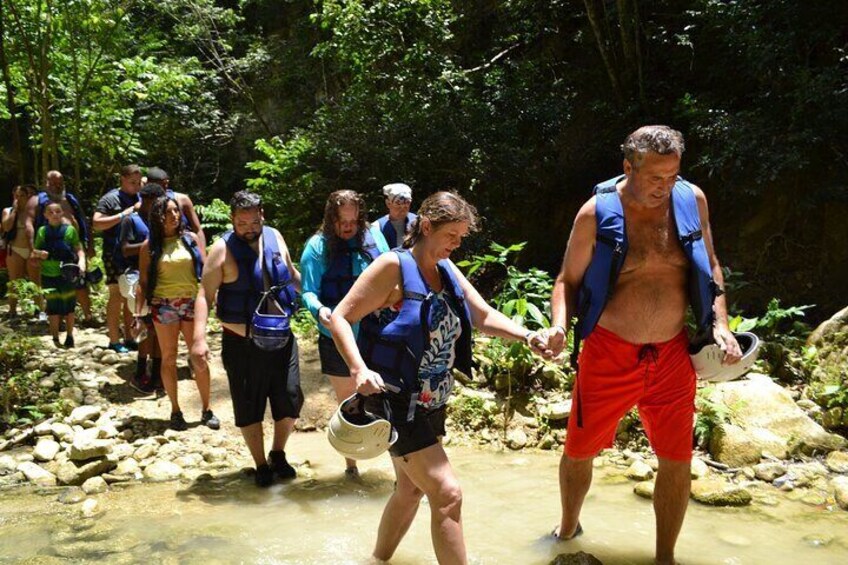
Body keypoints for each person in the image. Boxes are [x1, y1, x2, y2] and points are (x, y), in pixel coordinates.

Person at [546, 125, 743, 564]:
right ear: (628, 167)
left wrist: (720, 324)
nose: (665, 187)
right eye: (655, 178)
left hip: (672, 353)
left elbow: (710, 264)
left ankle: (664, 556)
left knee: (676, 456)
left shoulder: (692, 201)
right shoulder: (595, 214)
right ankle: (566, 529)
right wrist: (560, 326)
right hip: (609, 350)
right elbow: (567, 281)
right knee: (579, 450)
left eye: (673, 176)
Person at [329, 191, 551, 564]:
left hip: (432, 403)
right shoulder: (392, 266)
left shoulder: (446, 270)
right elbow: (340, 317)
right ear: (427, 227)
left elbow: (482, 316)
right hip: (397, 402)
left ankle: (376, 560)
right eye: (452, 235)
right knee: (447, 494)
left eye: (462, 237)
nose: (457, 244)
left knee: (410, 491)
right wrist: (358, 368)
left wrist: (528, 336)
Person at [191, 191, 302, 486]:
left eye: (254, 221)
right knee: (249, 404)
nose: (250, 228)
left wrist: (321, 301)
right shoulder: (221, 249)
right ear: (232, 220)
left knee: (290, 400)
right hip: (242, 343)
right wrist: (198, 340)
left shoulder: (275, 237)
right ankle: (261, 464)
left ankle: (278, 453)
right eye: (242, 223)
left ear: (262, 215)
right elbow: (204, 294)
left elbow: (291, 275)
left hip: (282, 337)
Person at [300, 190, 390, 476]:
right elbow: (309, 292)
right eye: (342, 221)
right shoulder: (317, 247)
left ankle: (397, 462)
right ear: (331, 219)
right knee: (350, 401)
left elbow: (393, 274)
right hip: (336, 336)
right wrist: (319, 310)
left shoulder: (374, 238)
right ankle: (351, 467)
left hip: (377, 333)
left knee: (386, 396)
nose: (348, 226)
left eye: (353, 220)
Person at [137, 194, 218, 431]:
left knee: (199, 356)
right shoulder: (148, 246)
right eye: (167, 212)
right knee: (168, 357)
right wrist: (138, 314)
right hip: (163, 305)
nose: (174, 215)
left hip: (192, 302)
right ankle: (175, 410)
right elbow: (143, 281)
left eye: (175, 211)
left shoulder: (190, 239)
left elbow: (205, 270)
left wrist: (213, 297)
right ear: (157, 218)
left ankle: (206, 409)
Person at [119, 183, 166, 393]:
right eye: (156, 202)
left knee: (157, 329)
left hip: (161, 279)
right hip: (136, 277)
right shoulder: (131, 220)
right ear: (146, 200)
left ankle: (156, 374)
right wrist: (151, 246)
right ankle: (140, 371)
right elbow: (125, 250)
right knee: (145, 326)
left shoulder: (163, 221)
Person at [36, 171, 97, 327]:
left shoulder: (71, 199)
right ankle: (60, 320)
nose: (57, 186)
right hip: (51, 249)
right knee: (56, 284)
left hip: (74, 246)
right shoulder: (40, 201)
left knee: (81, 282)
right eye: (53, 182)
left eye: (60, 182)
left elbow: (84, 221)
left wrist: (90, 245)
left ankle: (88, 316)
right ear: (46, 183)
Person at [93, 165, 142, 352]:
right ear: (122, 179)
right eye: (132, 182)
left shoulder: (140, 196)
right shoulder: (110, 198)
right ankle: (114, 339)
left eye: (139, 182)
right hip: (113, 254)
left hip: (133, 254)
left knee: (131, 294)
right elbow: (97, 223)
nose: (136, 186)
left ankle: (130, 338)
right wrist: (123, 214)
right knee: (116, 296)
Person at [32, 197, 85, 347]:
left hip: (67, 273)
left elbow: (78, 248)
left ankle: (69, 336)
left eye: (57, 211)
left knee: (69, 306)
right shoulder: (42, 231)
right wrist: (39, 254)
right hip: (48, 274)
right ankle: (55, 338)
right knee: (52, 307)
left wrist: (82, 263)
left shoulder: (70, 230)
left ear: (62, 213)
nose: (54, 214)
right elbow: (34, 253)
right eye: (51, 212)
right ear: (45, 215)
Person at [145, 167, 206, 249]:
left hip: (185, 246)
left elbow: (198, 230)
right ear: (149, 184)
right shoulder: (146, 203)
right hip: (159, 249)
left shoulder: (182, 200)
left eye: (166, 183)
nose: (165, 187)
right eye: (161, 185)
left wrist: (202, 255)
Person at [1, 185, 39, 317]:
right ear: (13, 196)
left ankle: (40, 312)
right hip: (15, 249)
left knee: (37, 283)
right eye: (17, 196)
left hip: (32, 251)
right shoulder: (8, 210)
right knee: (14, 282)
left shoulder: (34, 211)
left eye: (22, 195)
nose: (19, 198)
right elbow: (6, 227)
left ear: (28, 196)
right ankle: (12, 311)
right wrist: (15, 211)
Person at [377, 183, 417, 248]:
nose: (402, 208)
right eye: (398, 204)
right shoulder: (377, 227)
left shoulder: (418, 222)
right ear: (388, 203)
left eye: (407, 203)